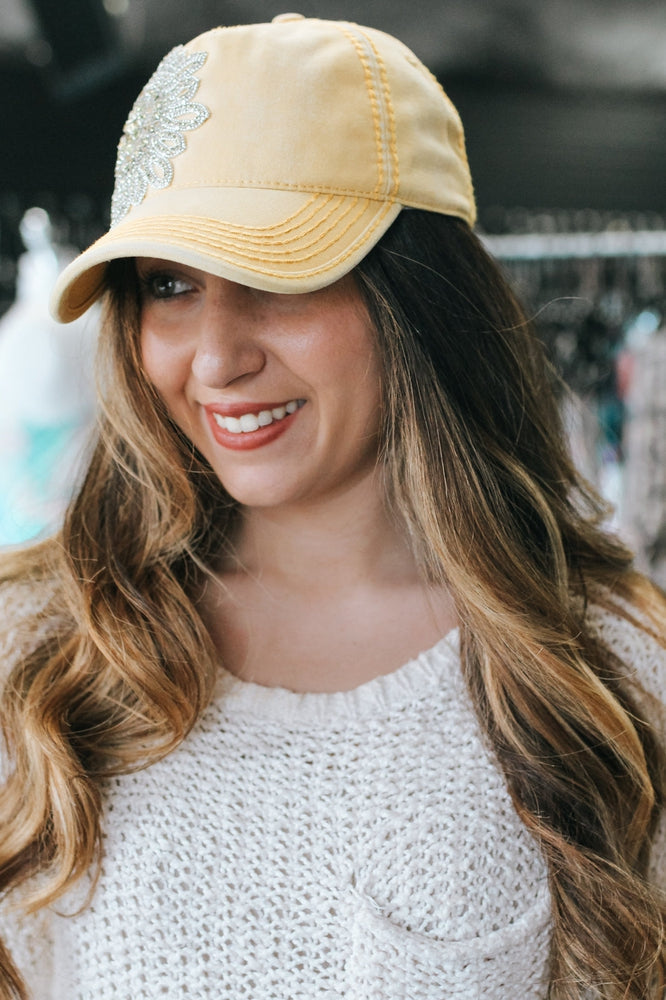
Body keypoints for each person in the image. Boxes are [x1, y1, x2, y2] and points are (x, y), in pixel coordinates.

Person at [1, 14, 665, 1000]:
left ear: (417, 295)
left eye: (275, 273)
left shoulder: (612, 671)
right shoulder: (37, 651)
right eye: (169, 284)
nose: (215, 357)